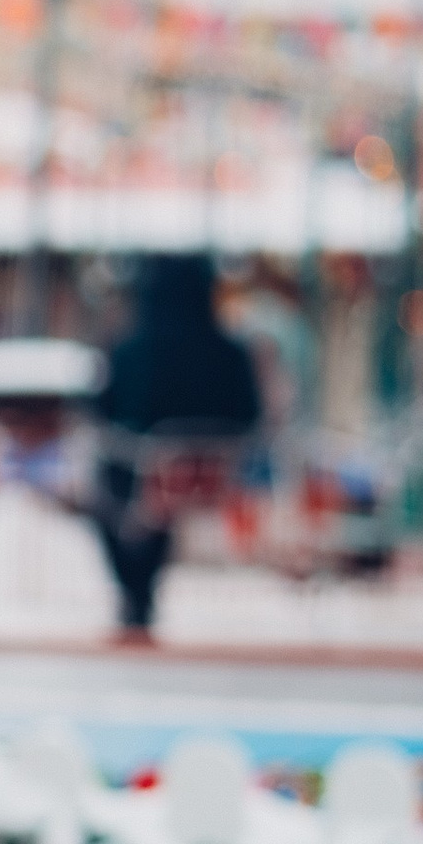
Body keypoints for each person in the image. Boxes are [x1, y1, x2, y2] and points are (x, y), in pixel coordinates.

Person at [88, 252, 262, 636]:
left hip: (152, 479)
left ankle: (136, 592)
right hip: (217, 475)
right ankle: (140, 594)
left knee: (113, 487)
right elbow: (252, 414)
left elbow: (104, 416)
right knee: (148, 483)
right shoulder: (232, 353)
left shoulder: (131, 351)